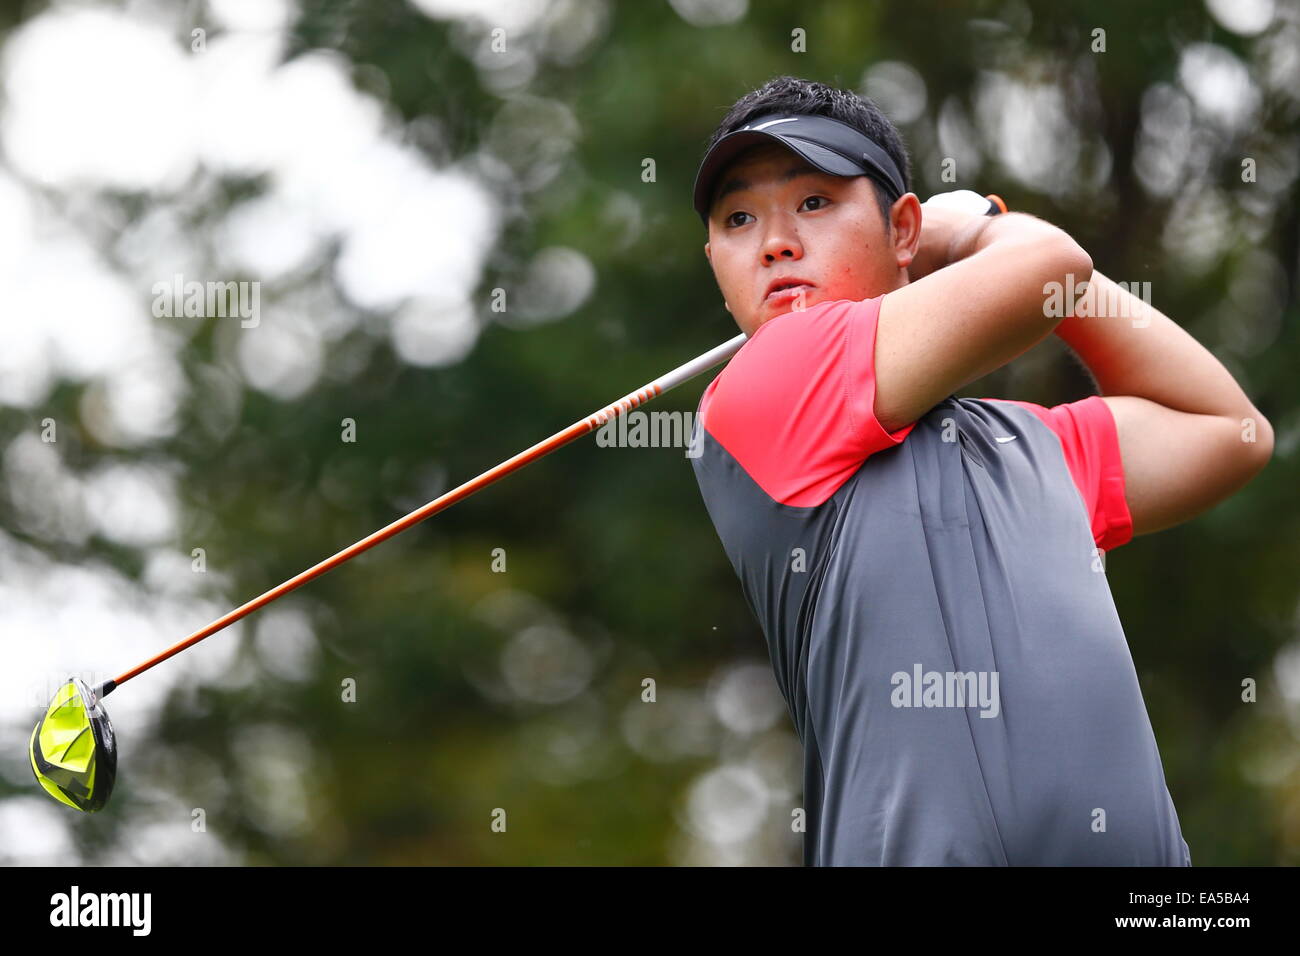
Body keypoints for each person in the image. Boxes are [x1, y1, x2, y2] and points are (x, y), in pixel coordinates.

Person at [686, 75, 1274, 865]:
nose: (775, 241)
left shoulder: (1030, 444)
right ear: (716, 262)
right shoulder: (762, 388)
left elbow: (1229, 432)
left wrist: (991, 250)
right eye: (738, 218)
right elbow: (1046, 271)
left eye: (816, 202)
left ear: (901, 230)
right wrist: (979, 232)